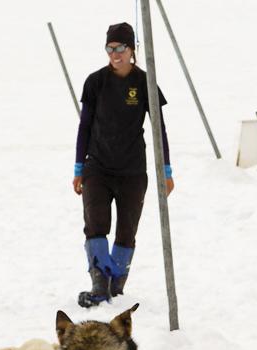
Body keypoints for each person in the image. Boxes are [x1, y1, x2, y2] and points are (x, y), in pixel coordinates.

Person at [74, 22, 174, 308]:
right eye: (110, 48)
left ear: (132, 50)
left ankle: (115, 286)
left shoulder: (144, 83)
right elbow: (84, 127)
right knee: (95, 224)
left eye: (121, 48)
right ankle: (99, 285)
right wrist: (79, 168)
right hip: (98, 168)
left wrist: (166, 170)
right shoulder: (95, 82)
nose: (115, 54)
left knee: (127, 230)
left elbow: (160, 129)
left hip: (132, 170)